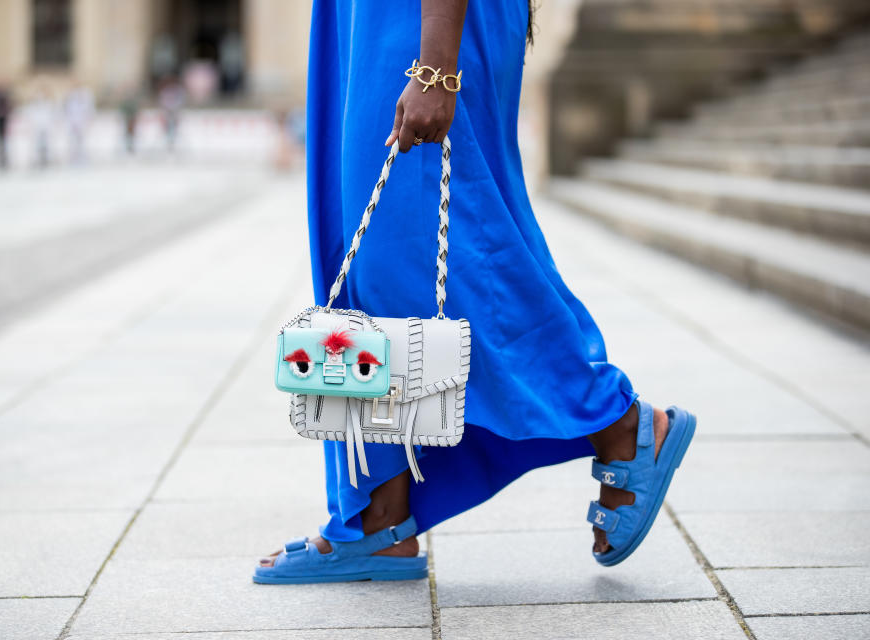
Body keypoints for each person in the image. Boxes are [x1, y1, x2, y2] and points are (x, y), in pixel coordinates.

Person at [254, 0, 696, 583]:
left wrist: (435, 62)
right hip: (368, 21)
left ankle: (615, 424)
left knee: (422, 249)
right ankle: (379, 518)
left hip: (414, 23)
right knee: (368, 264)